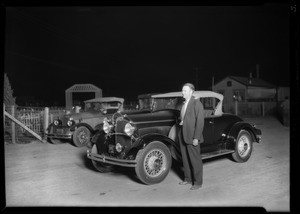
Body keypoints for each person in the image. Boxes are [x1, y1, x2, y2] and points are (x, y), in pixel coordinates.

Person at [178, 83, 205, 190]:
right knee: (185, 159)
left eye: (185, 91)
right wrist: (182, 122)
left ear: (191, 92)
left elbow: (200, 122)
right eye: (182, 90)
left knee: (195, 160)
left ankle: (198, 183)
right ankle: (188, 179)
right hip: (183, 135)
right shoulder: (184, 104)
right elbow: (186, 118)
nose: (182, 92)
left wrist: (196, 138)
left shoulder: (197, 103)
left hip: (192, 136)